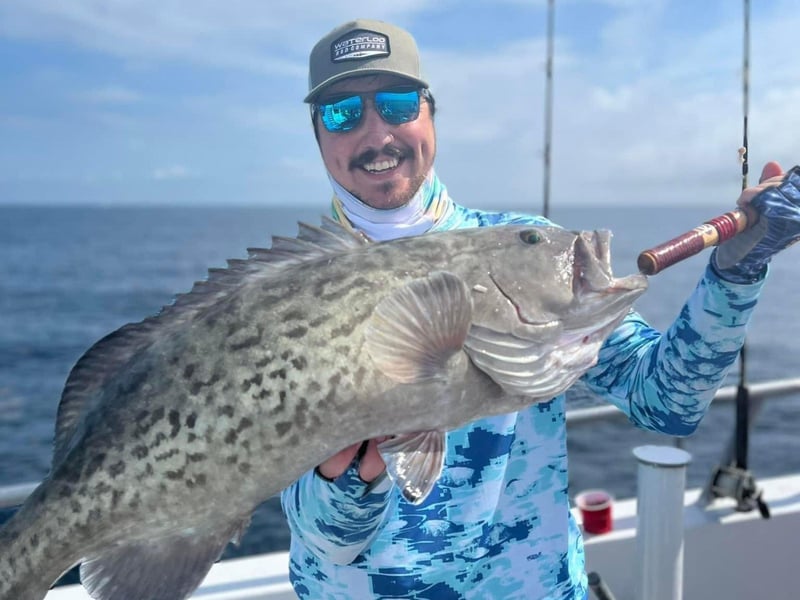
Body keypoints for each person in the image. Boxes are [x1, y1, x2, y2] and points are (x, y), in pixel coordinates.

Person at [280, 18, 800, 599]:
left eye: (398, 104)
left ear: (429, 113)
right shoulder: (292, 300)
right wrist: (348, 473)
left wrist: (736, 271)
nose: (377, 133)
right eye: (342, 113)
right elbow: (327, 539)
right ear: (317, 133)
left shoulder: (529, 246)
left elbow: (668, 401)